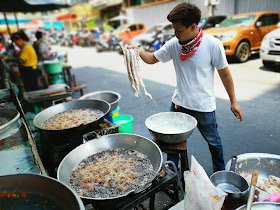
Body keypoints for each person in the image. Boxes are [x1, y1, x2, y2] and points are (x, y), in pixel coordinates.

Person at [128, 2, 243, 173]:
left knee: (214, 142)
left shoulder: (212, 44)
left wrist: (233, 102)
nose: (175, 34)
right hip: (179, 104)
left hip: (203, 106)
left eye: (179, 30)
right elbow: (152, 58)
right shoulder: (175, 44)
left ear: (193, 26)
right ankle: (172, 173)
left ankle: (220, 174)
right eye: (174, 30)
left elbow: (225, 74)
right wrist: (137, 51)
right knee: (171, 142)